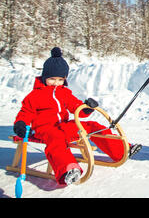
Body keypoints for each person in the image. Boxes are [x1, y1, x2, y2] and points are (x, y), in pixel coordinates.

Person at [13, 47, 142, 185]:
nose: (56, 83)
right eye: (52, 79)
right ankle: (68, 169)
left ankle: (121, 150)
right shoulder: (34, 96)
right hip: (45, 130)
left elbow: (76, 108)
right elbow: (26, 112)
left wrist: (86, 108)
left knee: (93, 126)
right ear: (44, 77)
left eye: (60, 79)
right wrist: (21, 123)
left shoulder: (64, 92)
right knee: (55, 139)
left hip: (63, 126)